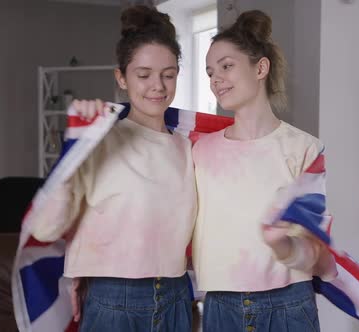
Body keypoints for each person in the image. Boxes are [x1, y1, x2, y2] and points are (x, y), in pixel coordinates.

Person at [30, 5, 196, 331]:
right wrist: (74, 146)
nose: (158, 86)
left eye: (168, 74)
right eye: (144, 75)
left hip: (177, 297)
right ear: (121, 77)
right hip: (115, 300)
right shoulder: (98, 141)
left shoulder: (188, 147)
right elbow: (46, 228)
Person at [191, 10, 333, 332]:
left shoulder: (305, 150)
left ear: (260, 67)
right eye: (210, 71)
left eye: (226, 66)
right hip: (220, 307)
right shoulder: (200, 150)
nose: (215, 79)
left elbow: (312, 251)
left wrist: (280, 244)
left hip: (288, 305)